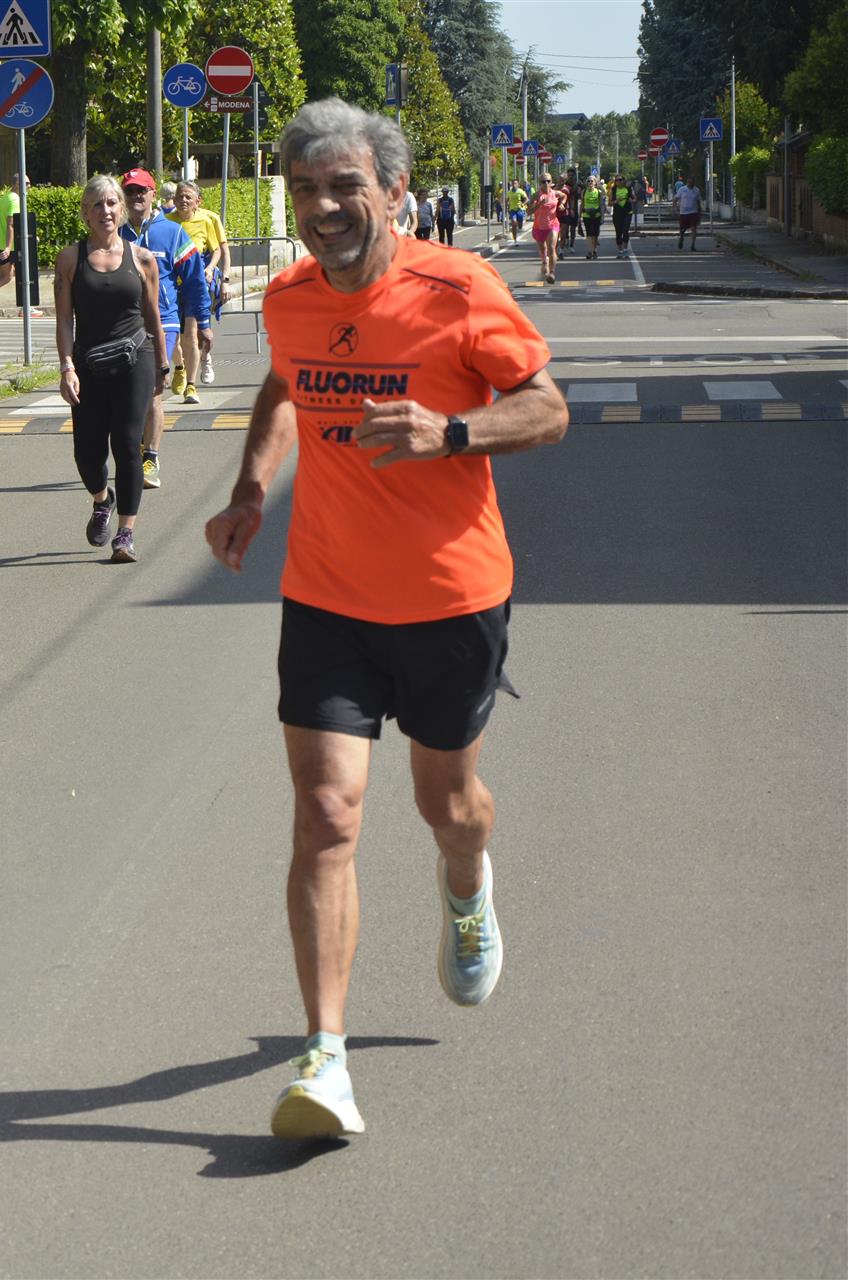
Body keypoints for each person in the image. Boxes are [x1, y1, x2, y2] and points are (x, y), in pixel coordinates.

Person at [202, 97, 569, 1141]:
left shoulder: (460, 290)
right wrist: (248, 491)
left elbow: (549, 409)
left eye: (344, 187)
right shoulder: (289, 298)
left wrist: (452, 431)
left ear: (395, 192)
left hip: (452, 598)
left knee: (446, 805)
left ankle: (467, 882)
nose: (322, 208)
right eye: (305, 189)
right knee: (326, 813)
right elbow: (284, 386)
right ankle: (325, 1057)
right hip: (327, 596)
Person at [54, 175, 165, 563]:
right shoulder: (70, 259)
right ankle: (102, 499)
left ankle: (125, 533)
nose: (106, 210)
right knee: (87, 453)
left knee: (127, 444)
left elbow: (153, 316)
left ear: (122, 209)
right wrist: (66, 366)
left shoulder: (142, 259)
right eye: (98, 205)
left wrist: (163, 364)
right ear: (85, 213)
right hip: (88, 363)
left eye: (112, 203)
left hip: (135, 359)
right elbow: (64, 319)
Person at [118, 167, 211, 489]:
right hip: (122, 325)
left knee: (152, 391)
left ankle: (150, 458)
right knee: (126, 395)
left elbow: (195, 279)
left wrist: (203, 322)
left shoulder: (171, 233)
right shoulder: (114, 233)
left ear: (153, 194)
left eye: (141, 191)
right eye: (130, 191)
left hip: (163, 322)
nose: (136, 197)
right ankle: (135, 448)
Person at [170, 180, 229, 399]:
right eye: (180, 196)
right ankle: (180, 367)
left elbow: (217, 250)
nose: (183, 200)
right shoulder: (167, 222)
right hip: (172, 287)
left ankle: (191, 385)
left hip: (194, 285)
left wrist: (211, 269)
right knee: (174, 336)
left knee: (192, 335)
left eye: (188, 197)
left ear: (197, 201)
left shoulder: (206, 220)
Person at [0, 173, 42, 317]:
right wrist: (8, 248)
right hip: (13, 247)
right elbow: (12, 224)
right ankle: (26, 308)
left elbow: (15, 224)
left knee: (6, 277)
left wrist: (30, 235)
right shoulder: (15, 200)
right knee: (25, 275)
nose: (29, 186)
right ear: (17, 184)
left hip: (1, 243)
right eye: (26, 183)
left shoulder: (5, 198)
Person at [529, 173, 563, 282]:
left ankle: (552, 273)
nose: (546, 183)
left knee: (552, 248)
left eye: (548, 181)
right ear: (540, 183)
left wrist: (562, 204)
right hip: (539, 227)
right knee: (543, 250)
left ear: (551, 182)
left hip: (552, 225)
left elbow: (564, 196)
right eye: (543, 182)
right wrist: (539, 204)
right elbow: (528, 211)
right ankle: (544, 262)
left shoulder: (555, 193)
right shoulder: (536, 195)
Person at [581, 174, 605, 259]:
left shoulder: (598, 192)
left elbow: (601, 205)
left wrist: (602, 217)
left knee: (595, 234)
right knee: (589, 233)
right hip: (587, 215)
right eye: (589, 181)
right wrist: (580, 216)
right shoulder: (584, 192)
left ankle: (594, 250)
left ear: (595, 182)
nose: (590, 182)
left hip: (596, 215)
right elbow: (582, 204)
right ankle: (590, 251)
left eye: (592, 181)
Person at [610, 174, 634, 258]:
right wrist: (615, 201)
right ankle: (620, 250)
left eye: (620, 180)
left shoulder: (628, 188)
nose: (618, 182)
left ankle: (625, 249)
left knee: (625, 230)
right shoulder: (613, 189)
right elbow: (609, 203)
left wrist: (631, 200)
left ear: (624, 181)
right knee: (618, 232)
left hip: (627, 212)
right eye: (616, 180)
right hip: (617, 213)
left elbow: (634, 198)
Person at [677, 176, 703, 251]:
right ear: (687, 182)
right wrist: (675, 208)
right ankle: (681, 237)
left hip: (693, 212)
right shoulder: (682, 189)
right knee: (682, 229)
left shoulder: (696, 190)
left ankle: (693, 245)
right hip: (683, 213)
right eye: (689, 182)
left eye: (691, 182)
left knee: (694, 228)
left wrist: (700, 211)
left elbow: (698, 201)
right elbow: (676, 198)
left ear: (694, 183)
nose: (690, 184)